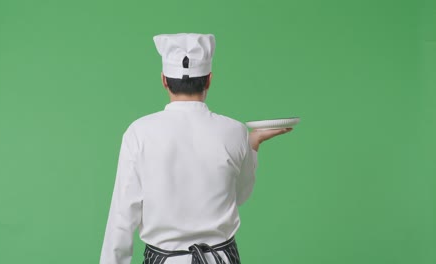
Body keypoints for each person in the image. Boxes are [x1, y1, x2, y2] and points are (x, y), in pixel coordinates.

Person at [99, 33, 293, 264]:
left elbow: (122, 217)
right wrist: (252, 144)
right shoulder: (235, 131)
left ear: (163, 80)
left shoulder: (139, 132)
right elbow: (239, 195)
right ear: (209, 80)